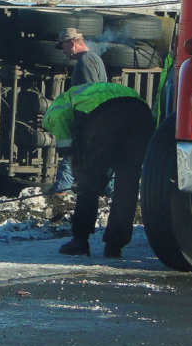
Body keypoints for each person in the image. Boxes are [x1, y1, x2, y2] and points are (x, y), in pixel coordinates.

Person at [42, 82, 155, 258]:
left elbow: (64, 133)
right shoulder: (90, 92)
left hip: (105, 116)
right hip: (141, 115)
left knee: (89, 181)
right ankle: (114, 245)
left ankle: (80, 241)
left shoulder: (56, 109)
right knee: (128, 184)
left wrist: (72, 157)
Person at [51, 27, 109, 195]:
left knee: (75, 152)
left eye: (63, 46)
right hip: (97, 120)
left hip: (90, 120)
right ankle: (109, 191)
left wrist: (86, 122)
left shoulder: (86, 61)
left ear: (72, 43)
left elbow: (91, 96)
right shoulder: (92, 59)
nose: (63, 51)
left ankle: (60, 192)